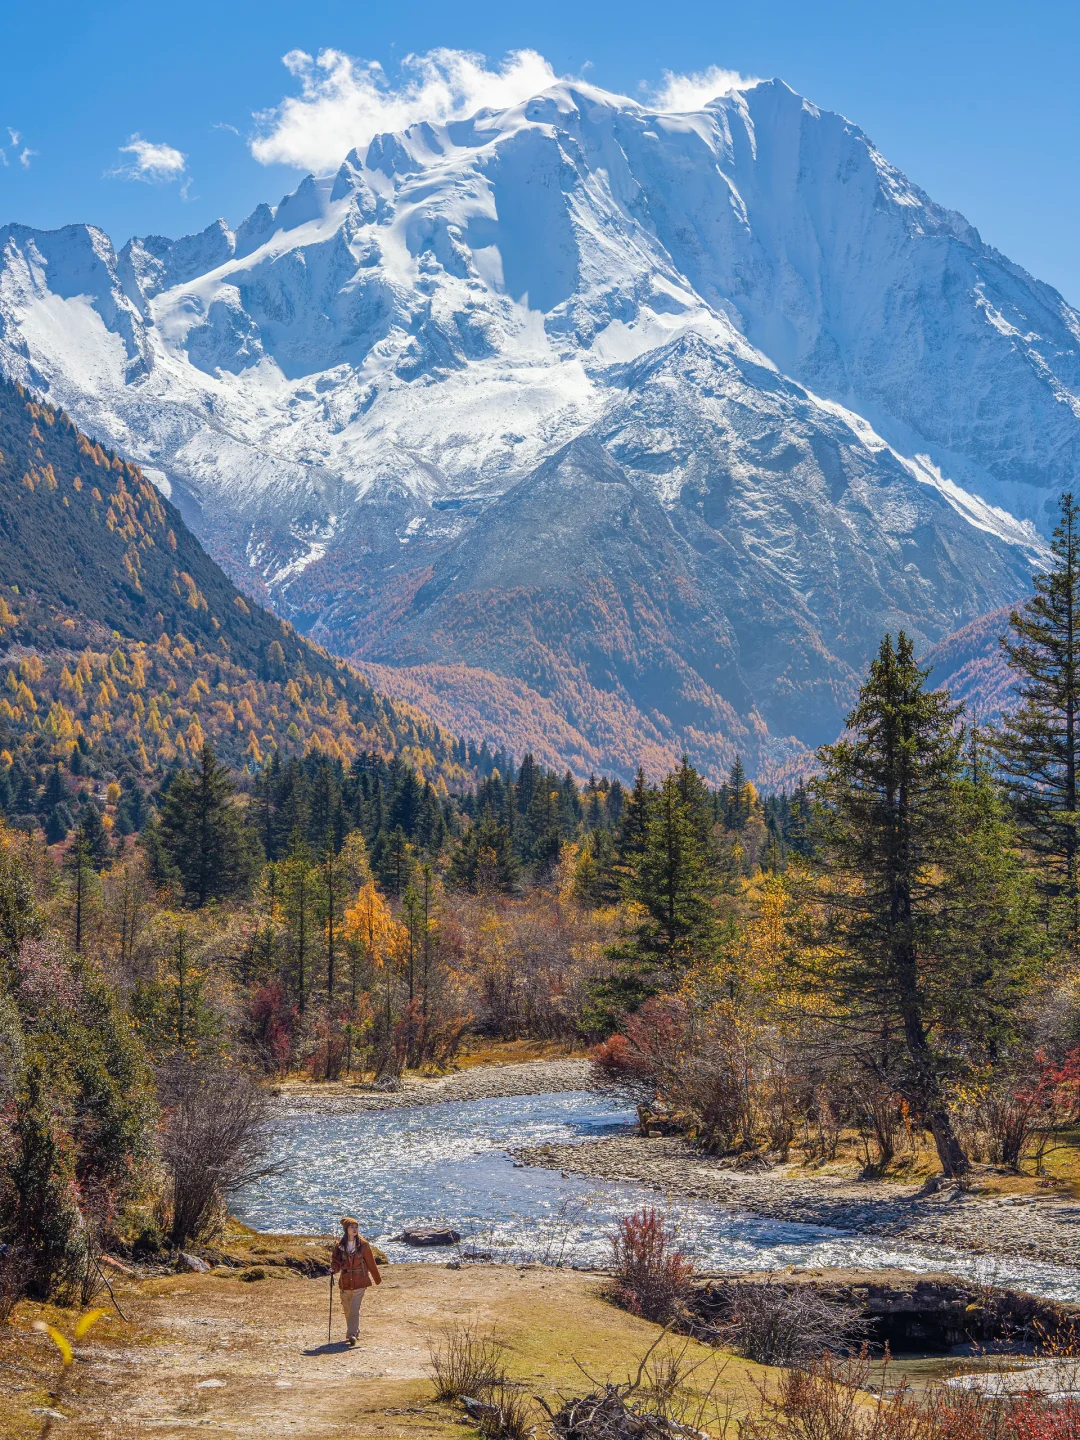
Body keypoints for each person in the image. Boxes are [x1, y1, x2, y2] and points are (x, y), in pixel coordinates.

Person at [330, 1216, 381, 1346]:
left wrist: (376, 1278)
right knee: (347, 1308)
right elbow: (336, 1261)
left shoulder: (363, 1245)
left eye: (356, 1227)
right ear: (346, 1229)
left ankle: (351, 1334)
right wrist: (333, 1269)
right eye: (352, 1227)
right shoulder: (340, 1245)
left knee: (354, 1307)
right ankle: (354, 1330)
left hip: (360, 1281)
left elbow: (371, 1262)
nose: (355, 1229)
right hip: (345, 1282)